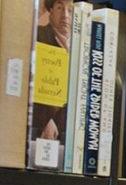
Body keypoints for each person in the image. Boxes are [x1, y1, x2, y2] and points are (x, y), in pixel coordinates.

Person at [32, 0, 73, 144]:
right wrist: (46, 121)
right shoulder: (37, 36)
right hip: (41, 127)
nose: (66, 15)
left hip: (70, 128)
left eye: (70, 9)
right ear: (50, 10)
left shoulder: (84, 45)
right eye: (60, 8)